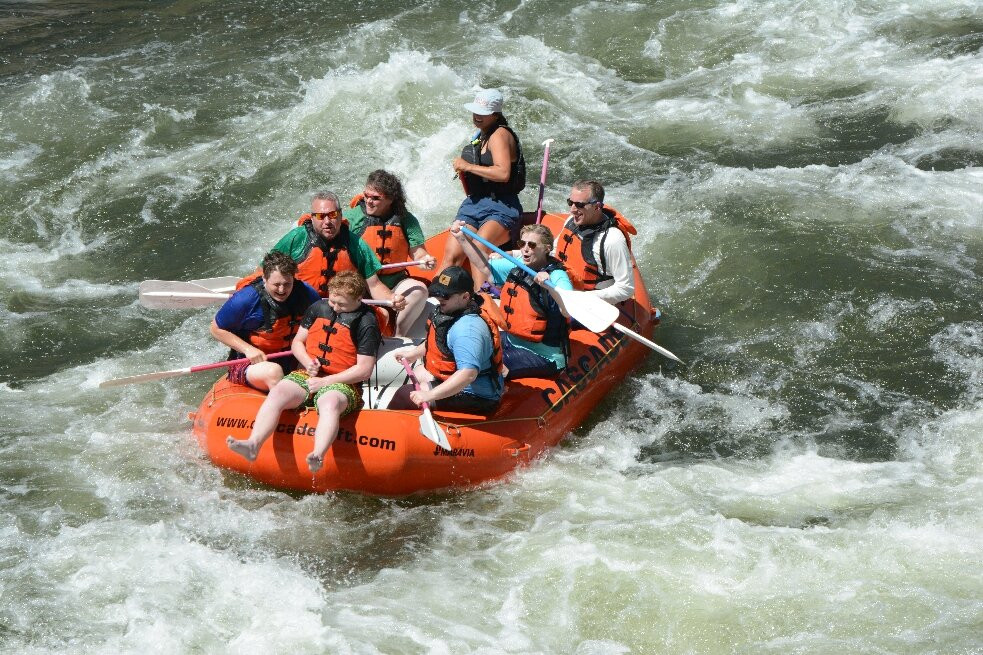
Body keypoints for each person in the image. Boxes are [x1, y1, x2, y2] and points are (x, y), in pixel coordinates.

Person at [226, 271, 381, 473]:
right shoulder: (318, 308)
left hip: (344, 384)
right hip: (308, 374)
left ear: (359, 299)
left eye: (341, 304)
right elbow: (298, 342)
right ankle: (253, 444)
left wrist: (326, 382)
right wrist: (308, 362)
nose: (335, 308)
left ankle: (317, 454)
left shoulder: (367, 322)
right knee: (279, 391)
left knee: (330, 402)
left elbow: (364, 370)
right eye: (333, 301)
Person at [240, 191, 407, 330]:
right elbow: (266, 271)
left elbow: (374, 284)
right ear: (312, 218)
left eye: (333, 215)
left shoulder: (356, 244)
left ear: (341, 215)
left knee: (382, 315)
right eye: (321, 216)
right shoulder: (297, 238)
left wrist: (392, 298)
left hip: (340, 307)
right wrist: (246, 295)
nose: (328, 222)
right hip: (299, 306)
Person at [451, 221, 571, 379]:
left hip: (543, 355)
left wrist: (550, 287)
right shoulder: (519, 265)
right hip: (511, 340)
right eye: (522, 243)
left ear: (547, 249)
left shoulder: (557, 277)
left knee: (487, 365)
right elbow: (484, 266)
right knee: (469, 348)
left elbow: (567, 309)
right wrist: (461, 238)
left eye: (532, 245)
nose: (526, 249)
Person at [388, 266, 504, 414]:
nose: (439, 298)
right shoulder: (452, 311)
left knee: (404, 396)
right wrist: (413, 354)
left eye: (446, 295)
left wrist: (429, 395)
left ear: (465, 297)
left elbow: (468, 374)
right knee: (418, 372)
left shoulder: (467, 330)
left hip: (476, 396)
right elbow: (439, 341)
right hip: (462, 380)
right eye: (438, 292)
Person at [210, 251, 321, 391]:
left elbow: (319, 326)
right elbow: (215, 329)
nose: (282, 290)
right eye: (276, 284)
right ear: (264, 279)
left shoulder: (307, 294)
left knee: (316, 366)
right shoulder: (245, 299)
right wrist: (248, 349)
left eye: (287, 284)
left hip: (291, 356)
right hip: (250, 362)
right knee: (273, 372)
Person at [344, 170, 437, 336]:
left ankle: (399, 336)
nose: (368, 201)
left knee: (419, 290)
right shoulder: (351, 218)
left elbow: (418, 253)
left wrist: (425, 260)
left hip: (395, 281)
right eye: (366, 195)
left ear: (390, 199)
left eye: (375, 198)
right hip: (362, 283)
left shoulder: (406, 219)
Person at [442, 88, 526, 269]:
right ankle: (436, 295)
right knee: (452, 256)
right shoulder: (481, 135)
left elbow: (503, 174)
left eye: (483, 113)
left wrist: (468, 166)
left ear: (496, 115)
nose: (477, 116)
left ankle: (482, 295)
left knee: (478, 250)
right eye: (476, 111)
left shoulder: (499, 135)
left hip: (502, 206)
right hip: (474, 204)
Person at [553, 180, 637, 305]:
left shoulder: (612, 240)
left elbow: (626, 288)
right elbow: (554, 251)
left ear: (597, 206)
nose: (572, 210)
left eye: (579, 205)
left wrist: (585, 297)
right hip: (562, 285)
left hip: (590, 301)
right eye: (570, 202)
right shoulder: (572, 221)